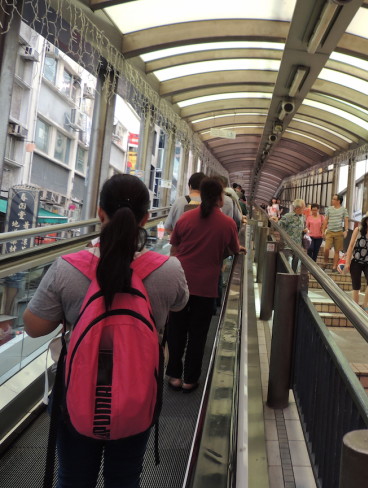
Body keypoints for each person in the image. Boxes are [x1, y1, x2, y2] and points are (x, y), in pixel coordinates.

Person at [23, 174, 189, 488]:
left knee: (72, 479)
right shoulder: (169, 269)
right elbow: (180, 304)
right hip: (138, 392)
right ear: (144, 218)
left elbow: (32, 327)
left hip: (75, 391)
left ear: (100, 213)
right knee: (124, 479)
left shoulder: (67, 267)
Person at [166, 177, 246, 393]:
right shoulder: (227, 224)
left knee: (176, 331)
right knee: (198, 335)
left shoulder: (185, 218)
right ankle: (190, 379)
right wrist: (238, 250)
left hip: (181, 283)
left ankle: (173, 374)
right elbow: (233, 248)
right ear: (220, 198)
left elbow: (173, 249)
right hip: (207, 287)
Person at [344, 209, 368, 315]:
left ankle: (365, 305)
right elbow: (351, 246)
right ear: (366, 221)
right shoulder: (358, 230)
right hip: (356, 261)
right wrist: (347, 263)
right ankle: (356, 308)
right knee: (356, 286)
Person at [322, 194, 349, 272]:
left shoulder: (344, 210)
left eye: (334, 199)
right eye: (332, 199)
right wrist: (323, 230)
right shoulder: (329, 209)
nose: (332, 200)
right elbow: (326, 220)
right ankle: (325, 261)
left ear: (338, 201)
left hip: (339, 232)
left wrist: (346, 230)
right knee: (326, 248)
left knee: (337, 250)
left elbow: (346, 220)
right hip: (329, 231)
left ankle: (334, 267)